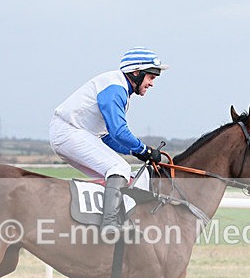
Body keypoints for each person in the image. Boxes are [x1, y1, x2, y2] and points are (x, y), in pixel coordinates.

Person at [50, 47, 167, 232]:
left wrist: (135, 152)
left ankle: (104, 221)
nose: (152, 83)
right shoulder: (115, 88)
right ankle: (110, 224)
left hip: (75, 134)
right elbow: (119, 132)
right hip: (69, 132)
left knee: (122, 178)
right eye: (151, 77)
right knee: (119, 168)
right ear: (136, 73)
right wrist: (144, 149)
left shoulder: (119, 88)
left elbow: (107, 137)